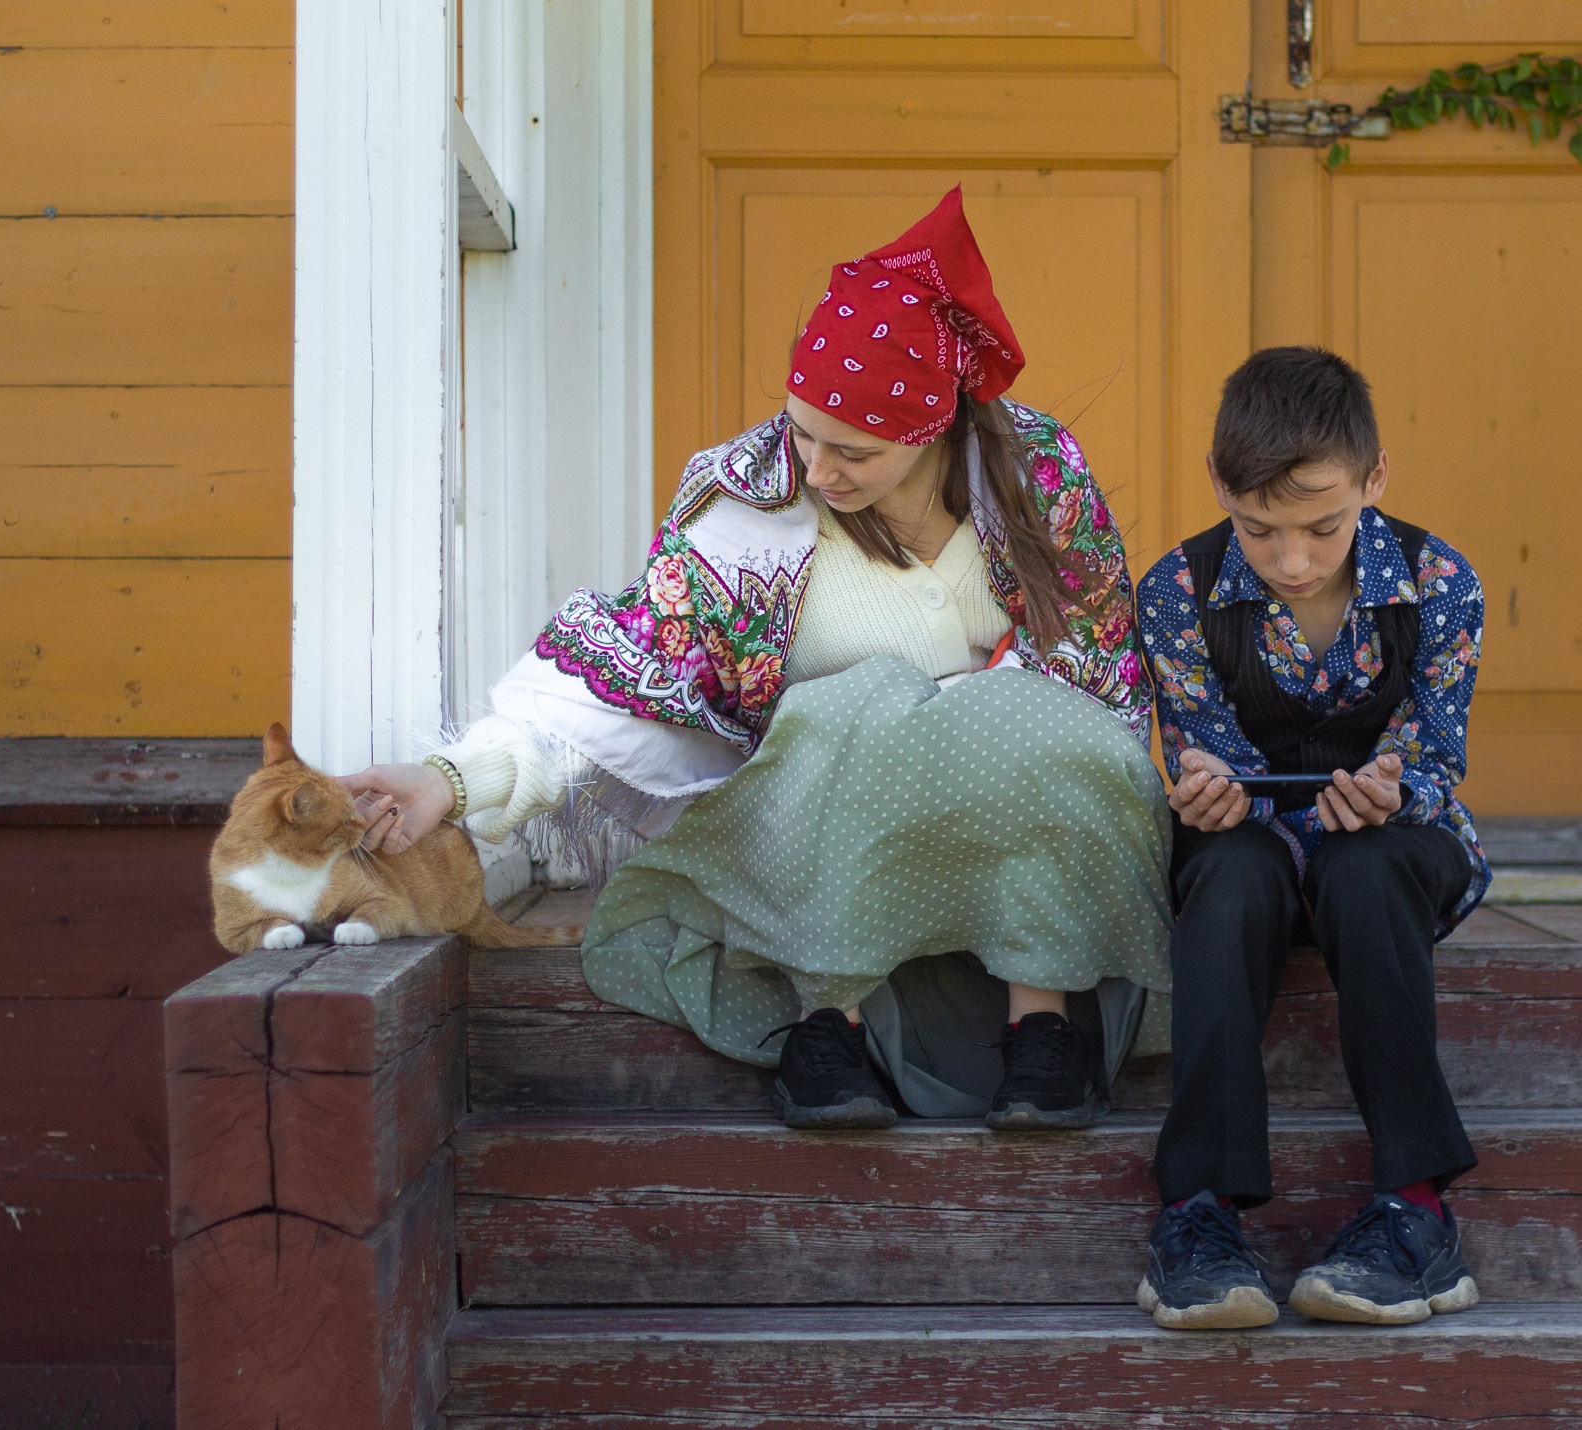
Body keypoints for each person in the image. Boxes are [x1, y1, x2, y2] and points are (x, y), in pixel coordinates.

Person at [344, 189, 1171, 1131]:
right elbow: (633, 671)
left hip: (1014, 828)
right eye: (801, 431)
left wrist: (962, 713)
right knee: (852, 701)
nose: (815, 470)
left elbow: (1099, 670)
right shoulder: (747, 507)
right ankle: (829, 1021)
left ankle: (1044, 1025)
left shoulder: (1038, 475)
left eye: (852, 451)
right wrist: (453, 779)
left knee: (1020, 708)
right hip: (826, 834)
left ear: (932, 426)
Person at [1132, 346, 1491, 1330]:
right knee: (1227, 877)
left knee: (1365, 869)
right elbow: (1200, 745)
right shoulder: (1175, 591)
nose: (1292, 560)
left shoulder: (1439, 580)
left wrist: (1391, 790)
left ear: (1375, 478)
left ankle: (1415, 1211)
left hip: (1390, 850)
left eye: (1323, 527)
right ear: (1218, 484)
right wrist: (1208, 791)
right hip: (1248, 848)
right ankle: (1198, 1214)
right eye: (1260, 530)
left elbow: (1434, 759)